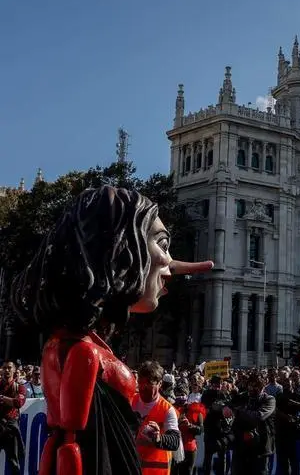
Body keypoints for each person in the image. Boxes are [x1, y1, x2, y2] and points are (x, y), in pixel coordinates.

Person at [11, 186, 212, 475]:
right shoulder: (83, 350)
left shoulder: (68, 342)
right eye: (163, 244)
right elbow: (71, 443)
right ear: (122, 250)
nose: (169, 263)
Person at [133, 361, 182, 475]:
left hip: (156, 471)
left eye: (149, 383)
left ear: (160, 384)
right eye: (141, 382)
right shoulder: (130, 401)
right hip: (131, 468)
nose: (143, 387)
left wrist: (159, 439)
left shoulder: (167, 410)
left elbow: (175, 441)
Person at [0, 361, 27, 475]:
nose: (7, 370)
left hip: (11, 429)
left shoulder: (19, 388)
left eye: (9, 368)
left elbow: (18, 402)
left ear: (14, 370)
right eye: (4, 368)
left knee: (13, 462)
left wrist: (1, 398)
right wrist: (9, 400)